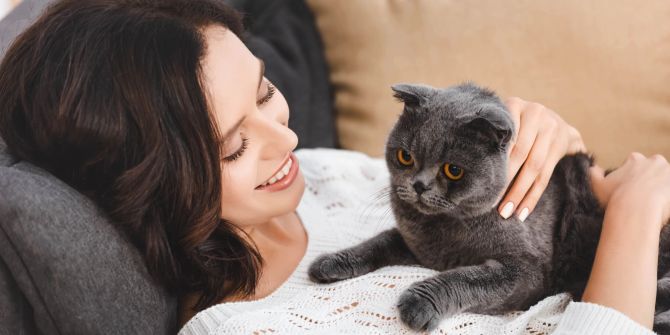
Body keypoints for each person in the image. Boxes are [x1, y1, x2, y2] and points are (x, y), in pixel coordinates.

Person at [0, 0, 667, 334]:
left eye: (264, 91)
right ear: (152, 183)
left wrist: (553, 160)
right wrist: (633, 220)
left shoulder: (319, 174)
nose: (283, 134)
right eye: (234, 145)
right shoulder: (240, 327)